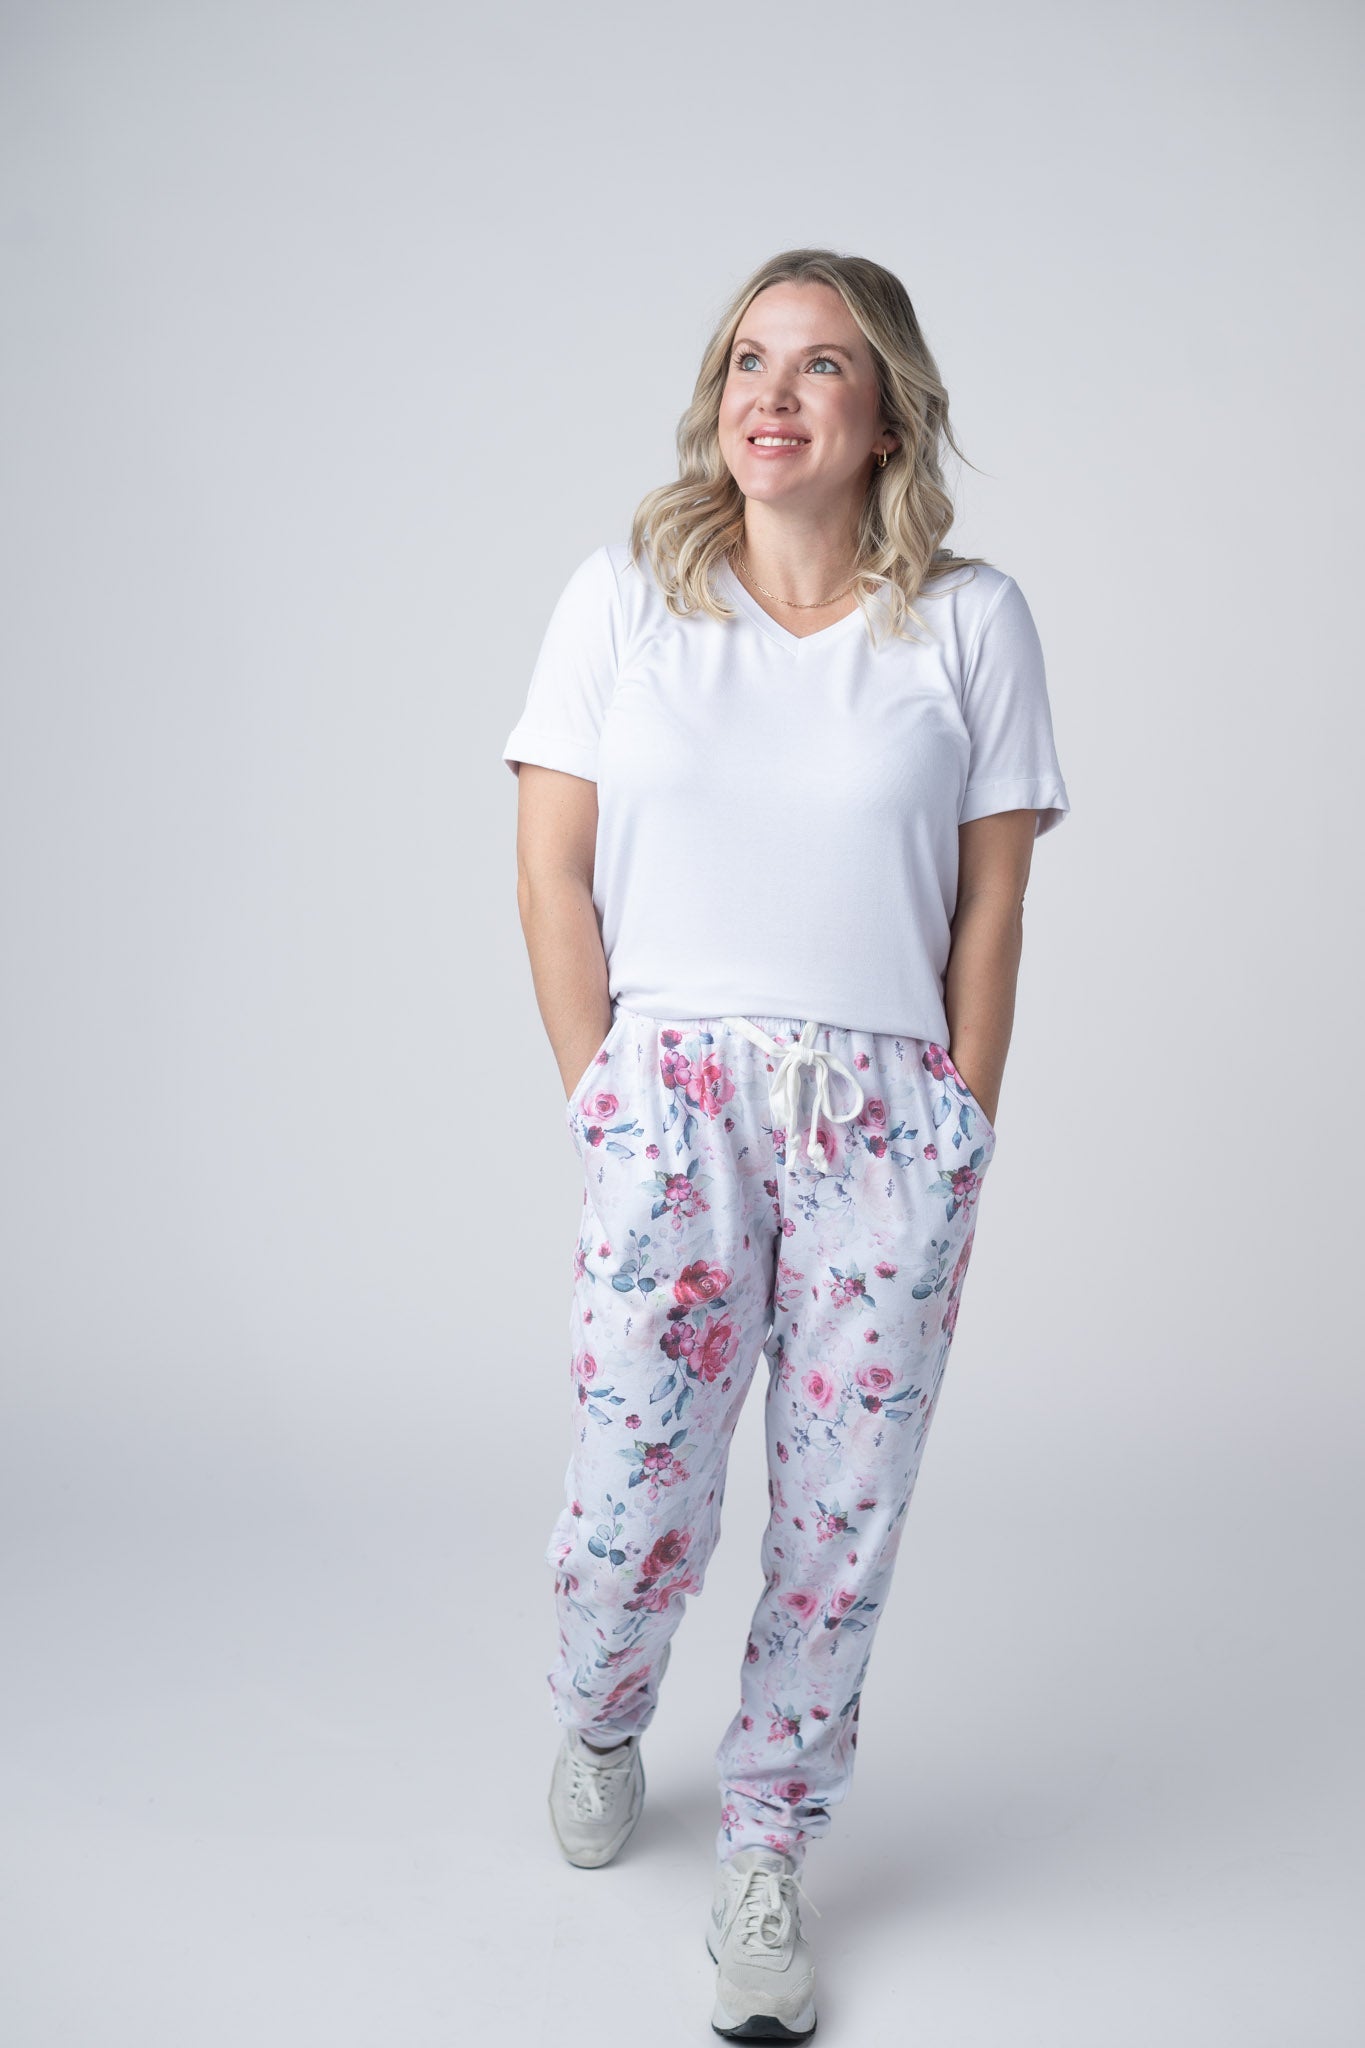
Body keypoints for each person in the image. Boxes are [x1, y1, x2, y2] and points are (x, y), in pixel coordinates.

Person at [501, 246, 1071, 2043]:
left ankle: (766, 1847)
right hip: (671, 1109)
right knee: (631, 1504)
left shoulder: (968, 623)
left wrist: (959, 1122)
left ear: (883, 413)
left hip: (886, 1124)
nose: (773, 393)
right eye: (749, 358)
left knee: (841, 1515)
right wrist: (604, 1091)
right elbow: (550, 870)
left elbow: (991, 908)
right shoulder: (624, 600)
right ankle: (602, 1714)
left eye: (820, 365)